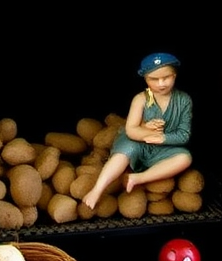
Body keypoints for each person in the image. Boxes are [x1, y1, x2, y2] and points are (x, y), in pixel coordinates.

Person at [82, 52, 192, 210]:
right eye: (154, 79)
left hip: (164, 147)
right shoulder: (141, 99)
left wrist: (162, 138)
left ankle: (137, 178)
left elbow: (184, 135)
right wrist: (145, 130)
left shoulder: (184, 100)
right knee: (125, 150)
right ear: (146, 79)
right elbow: (131, 130)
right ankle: (97, 190)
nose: (161, 83)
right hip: (138, 143)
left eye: (166, 77)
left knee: (185, 158)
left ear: (174, 75)